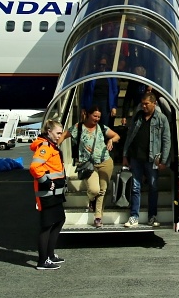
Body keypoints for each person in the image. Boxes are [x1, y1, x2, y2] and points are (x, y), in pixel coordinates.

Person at [121, 91, 171, 228]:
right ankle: (134, 216)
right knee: (135, 187)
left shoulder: (161, 119)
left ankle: (152, 216)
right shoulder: (137, 117)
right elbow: (129, 136)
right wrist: (125, 155)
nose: (143, 106)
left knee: (153, 187)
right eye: (142, 104)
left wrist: (164, 161)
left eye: (146, 104)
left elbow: (166, 141)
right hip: (136, 158)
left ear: (154, 104)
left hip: (152, 159)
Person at [68, 105, 120, 229]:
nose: (97, 119)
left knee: (102, 190)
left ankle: (98, 217)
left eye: (99, 117)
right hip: (87, 164)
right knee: (94, 190)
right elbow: (61, 137)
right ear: (88, 114)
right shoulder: (78, 128)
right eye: (94, 116)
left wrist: (111, 140)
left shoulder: (102, 128)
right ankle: (92, 199)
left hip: (105, 162)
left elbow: (116, 136)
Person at [28, 120, 66, 270]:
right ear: (49, 131)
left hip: (55, 193)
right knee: (47, 225)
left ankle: (49, 255)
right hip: (47, 194)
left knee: (59, 220)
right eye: (58, 133)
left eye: (61, 133)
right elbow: (34, 167)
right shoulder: (45, 147)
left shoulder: (51, 146)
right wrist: (45, 182)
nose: (60, 136)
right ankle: (43, 260)